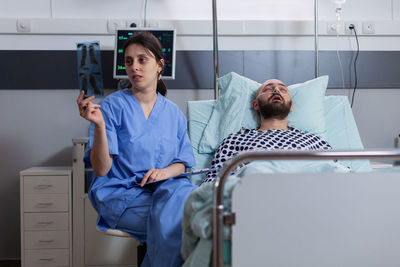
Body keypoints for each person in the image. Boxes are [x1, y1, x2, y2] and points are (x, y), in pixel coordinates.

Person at [76, 32, 196, 267]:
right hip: (120, 193)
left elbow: (182, 162)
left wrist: (164, 173)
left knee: (181, 207)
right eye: (129, 61)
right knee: (179, 224)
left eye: (142, 60)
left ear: (160, 65)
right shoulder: (111, 107)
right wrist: (99, 125)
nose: (134, 67)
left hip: (162, 190)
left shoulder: (174, 113)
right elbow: (101, 169)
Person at [201, 79, 332, 184]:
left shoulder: (313, 139)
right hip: (259, 194)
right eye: (268, 89)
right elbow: (214, 182)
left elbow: (336, 172)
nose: (276, 90)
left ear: (291, 106)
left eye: (282, 89)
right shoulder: (234, 140)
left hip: (310, 190)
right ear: (256, 105)